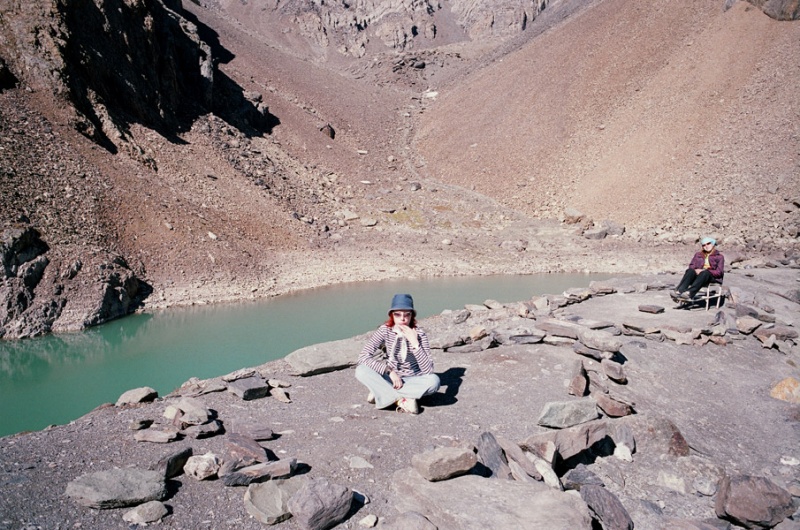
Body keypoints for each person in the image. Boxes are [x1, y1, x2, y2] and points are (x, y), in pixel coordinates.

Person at [355, 294, 440, 414]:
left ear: (412, 315)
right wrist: (390, 371)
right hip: (390, 377)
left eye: (407, 314)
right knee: (361, 370)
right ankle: (401, 400)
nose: (403, 319)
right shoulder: (385, 330)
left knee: (434, 381)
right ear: (392, 315)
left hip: (413, 379)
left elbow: (428, 371)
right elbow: (363, 356)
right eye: (398, 314)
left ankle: (382, 393)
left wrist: (415, 343)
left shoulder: (419, 334)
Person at [671, 237, 724, 302]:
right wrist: (695, 270)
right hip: (699, 276)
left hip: (712, 277)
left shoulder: (719, 257)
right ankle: (679, 291)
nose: (706, 246)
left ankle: (689, 293)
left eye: (708, 244)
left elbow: (719, 272)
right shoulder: (698, 255)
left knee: (705, 273)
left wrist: (705, 271)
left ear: (713, 244)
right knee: (690, 271)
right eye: (704, 245)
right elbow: (692, 266)